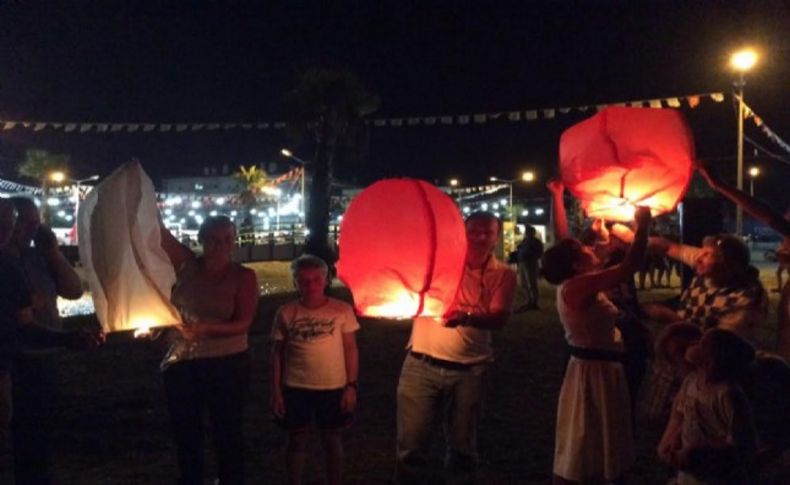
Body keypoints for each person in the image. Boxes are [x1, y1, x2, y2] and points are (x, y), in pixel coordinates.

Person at [396, 211, 516, 484]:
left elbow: (500, 318)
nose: (480, 237)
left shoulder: (504, 275)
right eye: (473, 231)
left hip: (471, 371)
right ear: (462, 232)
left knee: (463, 448)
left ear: (497, 237)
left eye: (487, 232)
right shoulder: (438, 264)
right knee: (411, 447)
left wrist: (467, 318)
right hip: (421, 365)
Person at [542, 206, 651, 485]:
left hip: (601, 367)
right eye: (585, 250)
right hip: (593, 372)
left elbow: (569, 240)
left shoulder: (579, 280)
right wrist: (643, 226)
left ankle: (599, 473)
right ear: (577, 264)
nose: (592, 249)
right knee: (588, 432)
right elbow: (630, 266)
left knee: (596, 432)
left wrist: (558, 197)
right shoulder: (579, 286)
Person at [0, 199, 102, 483]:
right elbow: (23, 324)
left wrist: (53, 251)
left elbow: (73, 290)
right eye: (26, 222)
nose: (33, 228)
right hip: (14, 357)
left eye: (36, 222)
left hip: (42, 354)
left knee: (37, 433)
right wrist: (70, 339)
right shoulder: (7, 264)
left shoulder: (39, 258)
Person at [159, 215, 259, 485]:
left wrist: (206, 329)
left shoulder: (243, 276)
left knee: (227, 431)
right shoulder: (186, 266)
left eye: (227, 239)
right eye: (213, 239)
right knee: (186, 431)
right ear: (202, 239)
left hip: (227, 363)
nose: (220, 245)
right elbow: (159, 234)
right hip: (183, 362)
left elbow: (243, 323)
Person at [270, 255, 359, 485]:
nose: (311, 285)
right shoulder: (286, 312)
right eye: (304, 280)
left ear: (326, 279)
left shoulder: (342, 310)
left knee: (331, 439)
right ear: (295, 283)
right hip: (296, 386)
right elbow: (278, 353)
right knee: (297, 439)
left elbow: (350, 348)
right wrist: (277, 391)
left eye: (316, 279)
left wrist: (351, 386)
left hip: (332, 386)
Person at [658, 329, 758, 484]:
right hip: (689, 474)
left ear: (713, 358)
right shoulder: (691, 381)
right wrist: (674, 438)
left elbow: (743, 441)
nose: (692, 343)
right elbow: (687, 415)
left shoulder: (727, 393)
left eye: (701, 343)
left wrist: (699, 450)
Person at [515, 225, 543, 311]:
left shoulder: (536, 242)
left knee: (531, 283)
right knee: (523, 283)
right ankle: (529, 300)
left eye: (527, 231)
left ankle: (534, 302)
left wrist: (531, 256)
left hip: (530, 263)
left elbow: (539, 252)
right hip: (523, 263)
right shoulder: (525, 241)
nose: (526, 233)